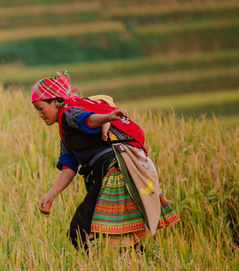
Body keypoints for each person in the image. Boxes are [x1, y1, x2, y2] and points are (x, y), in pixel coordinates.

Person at [31, 72, 178, 251]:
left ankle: (94, 269)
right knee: (112, 232)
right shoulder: (66, 131)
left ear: (55, 102)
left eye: (40, 108)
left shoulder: (68, 113)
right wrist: (51, 194)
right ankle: (129, 264)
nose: (40, 114)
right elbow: (68, 166)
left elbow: (87, 120)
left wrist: (108, 118)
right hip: (108, 172)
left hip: (113, 172)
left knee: (82, 229)